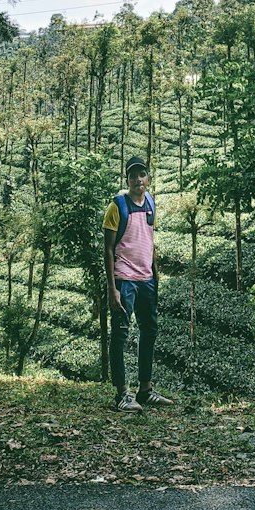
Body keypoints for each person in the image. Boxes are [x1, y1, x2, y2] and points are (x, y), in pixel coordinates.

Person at [103, 157, 173, 411]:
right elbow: (108, 250)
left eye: (142, 175)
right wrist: (112, 288)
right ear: (127, 180)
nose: (138, 180)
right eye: (133, 176)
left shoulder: (151, 203)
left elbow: (149, 239)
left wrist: (155, 270)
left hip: (146, 279)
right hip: (124, 278)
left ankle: (145, 390)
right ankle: (122, 393)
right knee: (120, 334)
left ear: (148, 179)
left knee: (149, 331)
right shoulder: (117, 206)